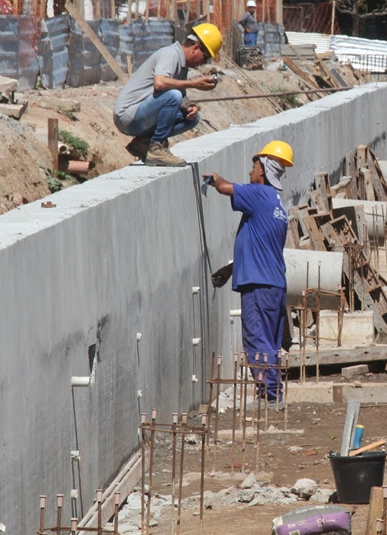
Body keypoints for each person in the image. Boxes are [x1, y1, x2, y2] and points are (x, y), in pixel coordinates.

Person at [206, 140, 294, 404]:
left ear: (263, 170)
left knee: (257, 340)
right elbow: (261, 248)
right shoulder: (277, 206)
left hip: (258, 285)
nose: (250, 172)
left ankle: (270, 397)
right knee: (269, 342)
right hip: (273, 284)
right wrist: (231, 269)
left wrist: (212, 178)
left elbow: (225, 187)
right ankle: (271, 395)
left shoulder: (259, 193)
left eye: (254, 167)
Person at [113, 22, 223, 167]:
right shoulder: (170, 54)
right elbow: (160, 83)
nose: (203, 63)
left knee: (193, 118)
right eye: (205, 57)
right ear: (196, 48)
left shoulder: (182, 65)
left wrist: (190, 106)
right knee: (173, 96)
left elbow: (180, 95)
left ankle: (144, 142)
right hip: (128, 115)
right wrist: (194, 83)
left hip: (141, 116)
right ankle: (156, 147)